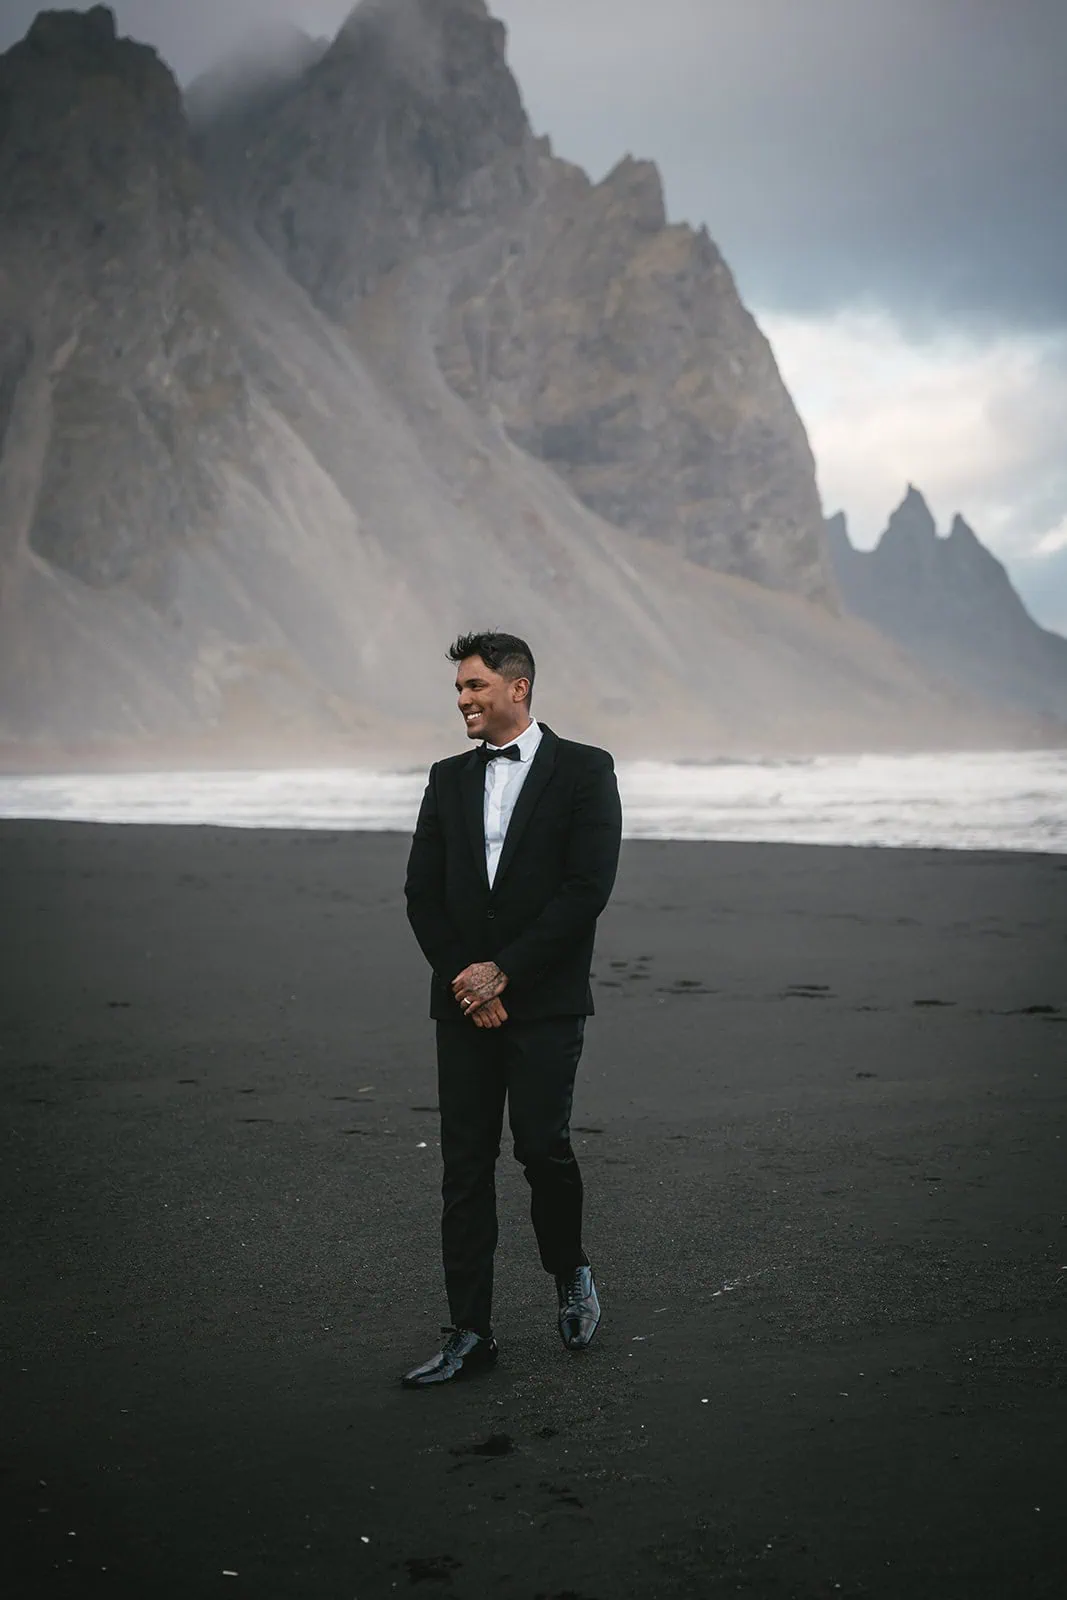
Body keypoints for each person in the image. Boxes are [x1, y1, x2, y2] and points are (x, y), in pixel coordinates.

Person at [401, 632, 623, 1388]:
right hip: (463, 1001)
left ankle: (571, 1271)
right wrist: (468, 979)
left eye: (473, 687)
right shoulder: (446, 777)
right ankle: (469, 1332)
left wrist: (506, 974)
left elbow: (585, 889)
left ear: (516, 688)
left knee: (540, 1149)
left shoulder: (586, 770)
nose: (462, 700)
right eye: (458, 690)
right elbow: (421, 893)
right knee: (463, 1168)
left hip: (546, 1000)